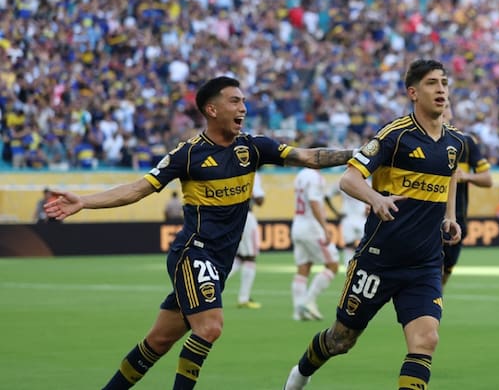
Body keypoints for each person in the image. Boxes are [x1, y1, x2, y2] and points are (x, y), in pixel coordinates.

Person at [43, 76, 354, 390]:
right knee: (209, 327)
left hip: (220, 262)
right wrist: (84, 201)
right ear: (212, 110)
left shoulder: (253, 147)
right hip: (194, 253)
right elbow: (137, 189)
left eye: (244, 102)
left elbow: (309, 157)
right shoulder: (188, 155)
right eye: (234, 101)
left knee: (158, 341)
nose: (243, 108)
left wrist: (358, 154)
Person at [284, 59, 463, 390]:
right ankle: (300, 375)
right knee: (341, 339)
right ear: (413, 92)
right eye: (431, 83)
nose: (441, 89)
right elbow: (349, 178)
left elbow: (451, 174)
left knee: (426, 340)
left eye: (444, 83)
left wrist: (450, 215)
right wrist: (375, 199)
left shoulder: (455, 142)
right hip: (378, 261)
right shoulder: (394, 136)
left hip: (424, 264)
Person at [441, 101, 493, 287]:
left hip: (456, 220)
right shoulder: (418, 140)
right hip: (426, 218)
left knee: (446, 270)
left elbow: (488, 179)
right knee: (427, 271)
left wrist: (466, 176)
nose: (443, 109)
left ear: (451, 113)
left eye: (447, 106)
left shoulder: (466, 142)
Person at [291, 159, 341, 321]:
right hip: (312, 228)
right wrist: (325, 227)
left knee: (303, 268)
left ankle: (298, 311)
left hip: (297, 225)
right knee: (333, 265)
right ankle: (308, 302)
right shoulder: (315, 177)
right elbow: (314, 202)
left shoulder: (300, 175)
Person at [230, 175, 266, 308]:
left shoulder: (230, 170)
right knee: (250, 257)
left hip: (232, 216)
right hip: (246, 216)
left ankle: (211, 282)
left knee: (239, 257)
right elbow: (259, 200)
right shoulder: (252, 173)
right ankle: (244, 298)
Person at [335, 178, 370, 265]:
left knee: (363, 245)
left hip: (359, 218)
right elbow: (327, 196)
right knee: (351, 245)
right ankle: (350, 268)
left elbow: (327, 196)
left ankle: (357, 267)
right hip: (353, 218)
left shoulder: (343, 180)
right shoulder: (367, 182)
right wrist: (336, 212)